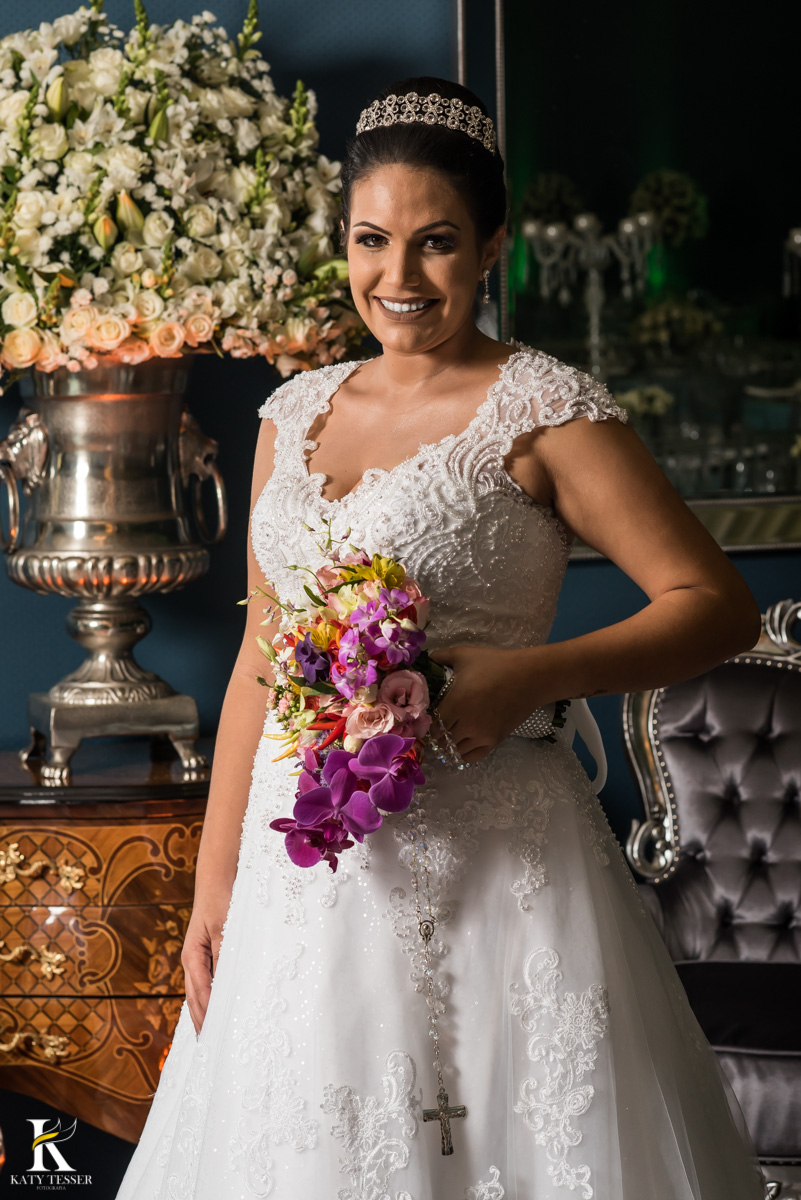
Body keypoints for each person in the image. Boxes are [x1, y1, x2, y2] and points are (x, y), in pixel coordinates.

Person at [115, 77, 768, 1200]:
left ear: (493, 247)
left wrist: (533, 677)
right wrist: (214, 883)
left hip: (495, 869)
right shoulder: (292, 413)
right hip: (299, 879)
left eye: (437, 244)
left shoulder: (546, 410)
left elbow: (715, 604)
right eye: (373, 241)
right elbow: (264, 657)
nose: (400, 279)